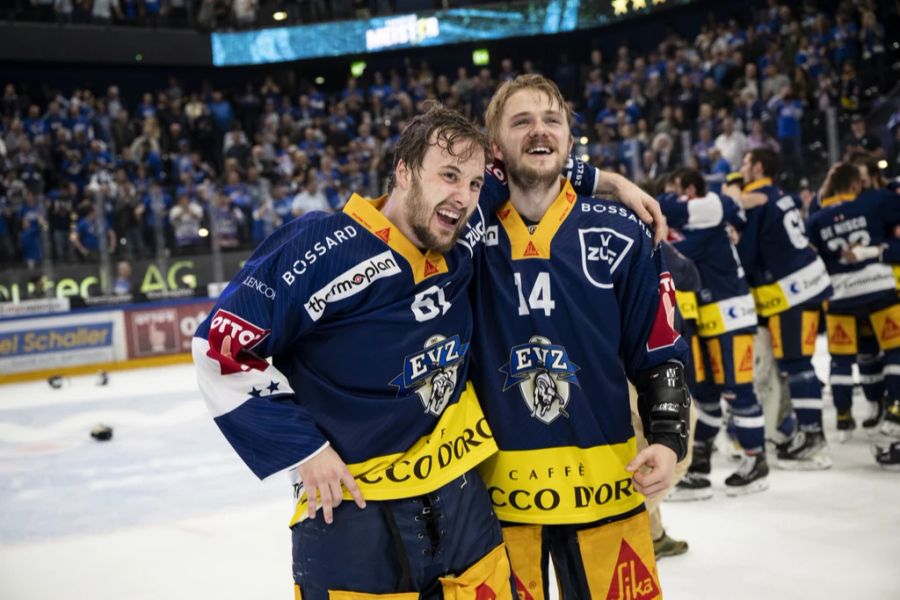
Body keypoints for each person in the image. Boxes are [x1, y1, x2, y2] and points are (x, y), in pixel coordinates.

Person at [193, 106, 514, 600]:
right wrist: (307, 449)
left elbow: (523, 157)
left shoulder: (457, 234)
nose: (465, 196)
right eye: (449, 175)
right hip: (352, 512)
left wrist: (607, 181)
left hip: (462, 499)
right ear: (404, 172)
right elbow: (221, 348)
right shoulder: (324, 245)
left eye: (472, 184)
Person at [470, 74, 690, 600]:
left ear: (569, 140)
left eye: (552, 120)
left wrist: (667, 437)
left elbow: (658, 345)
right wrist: (608, 177)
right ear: (495, 147)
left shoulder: (623, 230)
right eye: (521, 121)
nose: (539, 131)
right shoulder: (463, 233)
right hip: (493, 497)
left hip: (607, 484)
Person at [659, 168, 769, 494]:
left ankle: (755, 460)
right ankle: (700, 462)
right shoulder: (705, 219)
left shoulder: (708, 211)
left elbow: (678, 248)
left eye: (677, 191)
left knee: (738, 391)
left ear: (691, 190)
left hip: (731, 316)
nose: (673, 199)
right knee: (705, 394)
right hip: (707, 319)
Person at [733, 148, 833, 470]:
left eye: (747, 163)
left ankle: (813, 438)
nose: (743, 168)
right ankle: (805, 431)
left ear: (758, 166)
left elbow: (747, 255)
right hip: (804, 283)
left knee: (796, 362)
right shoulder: (779, 193)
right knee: (794, 361)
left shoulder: (757, 198)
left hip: (794, 290)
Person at [805, 163, 900, 443]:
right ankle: (895, 406)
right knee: (895, 350)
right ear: (857, 184)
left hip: (840, 296)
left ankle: (843, 415)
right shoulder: (874, 202)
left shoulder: (816, 219)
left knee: (841, 358)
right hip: (878, 287)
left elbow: (812, 256)